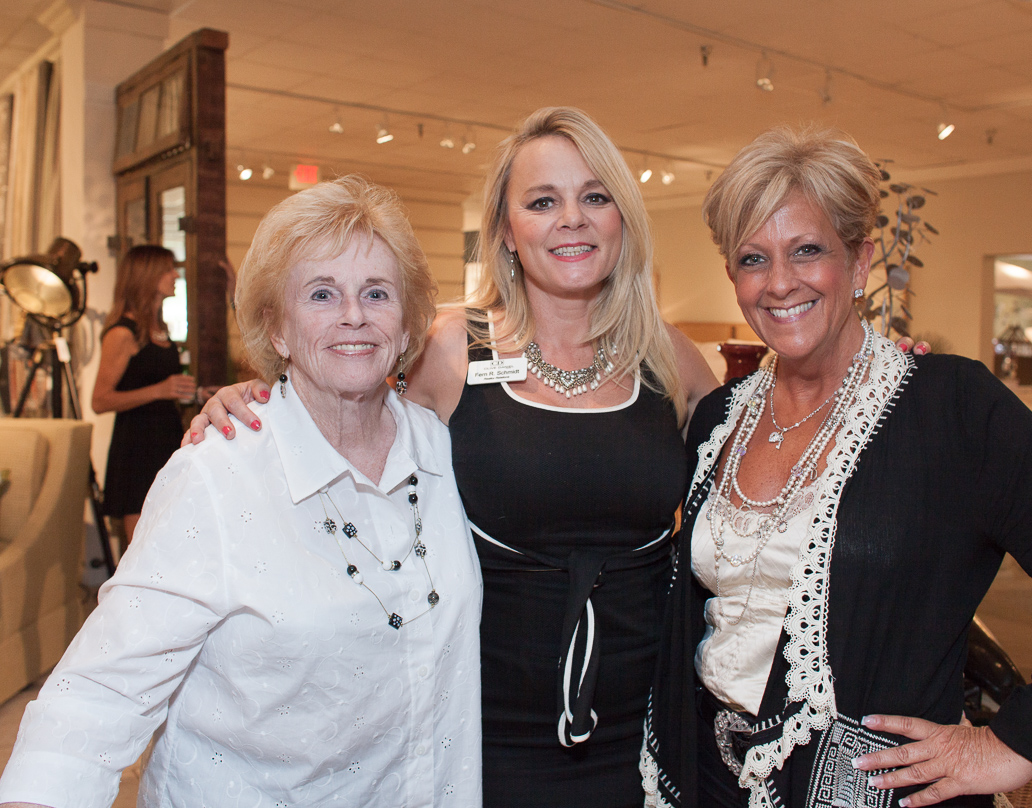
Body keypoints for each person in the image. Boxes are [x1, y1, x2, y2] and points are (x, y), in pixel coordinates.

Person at [186, 107, 718, 807]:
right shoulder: (451, 349)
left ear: (623, 216)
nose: (572, 219)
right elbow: (348, 422)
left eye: (595, 196)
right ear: (505, 229)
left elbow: (760, 474)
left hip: (646, 724)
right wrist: (260, 402)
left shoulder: (668, 358)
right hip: (481, 727)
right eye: (542, 202)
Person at [639, 127, 1032, 808]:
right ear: (734, 278)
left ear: (860, 261)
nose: (779, 282)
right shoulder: (721, 417)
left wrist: (1013, 744)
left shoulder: (948, 407)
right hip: (706, 778)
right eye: (754, 259)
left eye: (808, 250)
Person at [0, 176, 483, 807]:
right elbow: (101, 692)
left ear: (407, 323)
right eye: (321, 293)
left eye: (376, 292)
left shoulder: (444, 449)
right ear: (276, 330)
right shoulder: (217, 476)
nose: (354, 315)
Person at [91, 244, 196, 541]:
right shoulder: (123, 333)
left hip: (165, 439)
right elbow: (99, 400)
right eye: (168, 269)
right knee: (143, 543)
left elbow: (160, 386)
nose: (175, 275)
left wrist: (195, 392)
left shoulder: (159, 328)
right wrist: (160, 390)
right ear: (147, 275)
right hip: (136, 448)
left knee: (171, 535)